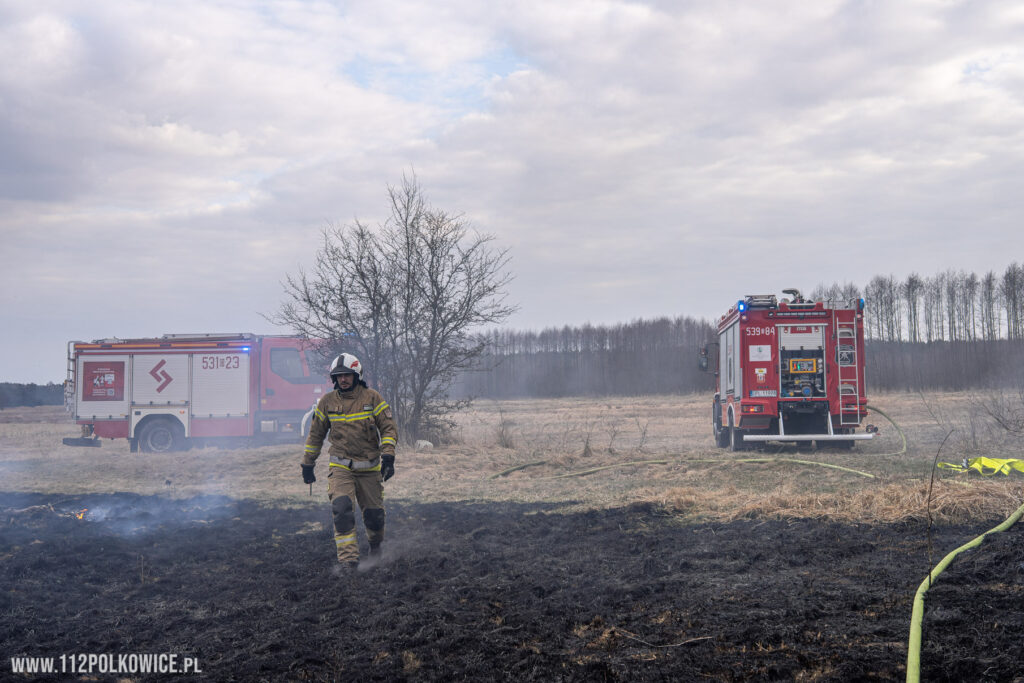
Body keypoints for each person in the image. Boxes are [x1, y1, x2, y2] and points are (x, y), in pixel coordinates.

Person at [301, 353, 397, 568]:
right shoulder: (327, 402)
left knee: (374, 516)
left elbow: (388, 428)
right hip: (341, 466)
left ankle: (376, 549)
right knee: (342, 509)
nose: (343, 379)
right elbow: (315, 435)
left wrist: (388, 455)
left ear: (357, 375)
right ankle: (348, 562)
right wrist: (308, 463)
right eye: (339, 376)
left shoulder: (372, 398)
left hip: (370, 467)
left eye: (347, 375)